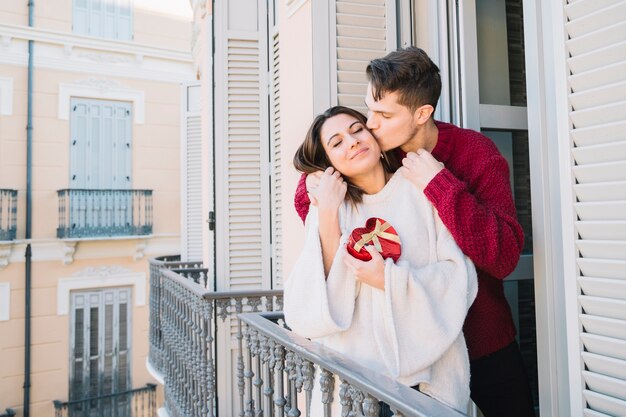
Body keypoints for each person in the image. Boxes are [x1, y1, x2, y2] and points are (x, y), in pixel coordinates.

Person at [294, 47, 536, 417]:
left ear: (422, 114)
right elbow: (311, 197)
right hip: (397, 343)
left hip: (479, 334)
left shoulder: (476, 155)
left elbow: (503, 257)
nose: (369, 125)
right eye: (368, 110)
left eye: (383, 115)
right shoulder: (378, 150)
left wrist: (439, 184)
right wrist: (318, 185)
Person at [284, 105, 477, 415]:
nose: (352, 142)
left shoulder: (420, 188)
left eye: (357, 130)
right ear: (329, 163)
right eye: (336, 143)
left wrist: (388, 279)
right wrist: (329, 213)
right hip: (359, 387)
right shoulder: (330, 209)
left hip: (425, 386)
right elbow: (312, 308)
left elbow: (458, 278)